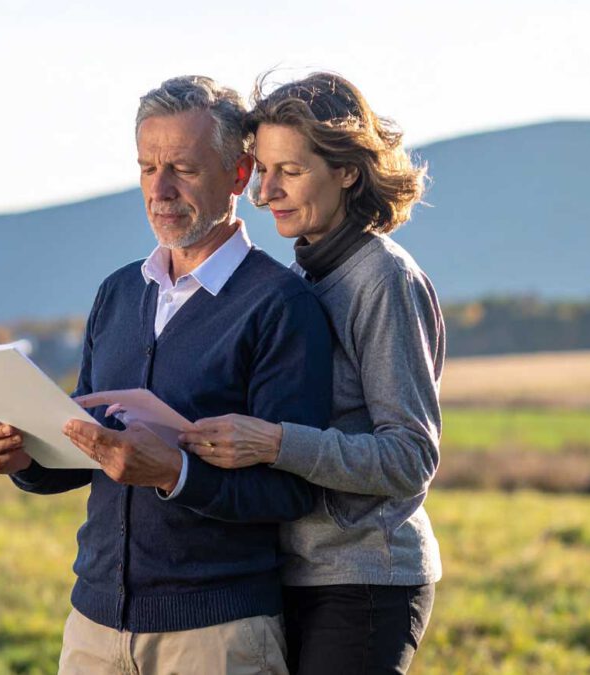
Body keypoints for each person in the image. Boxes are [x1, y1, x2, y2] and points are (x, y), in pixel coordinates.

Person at [0, 75, 333, 674]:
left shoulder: (280, 306)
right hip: (93, 628)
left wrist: (176, 473)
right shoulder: (117, 293)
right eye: (147, 168)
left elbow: (292, 492)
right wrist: (24, 457)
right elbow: (91, 451)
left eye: (183, 169)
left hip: (216, 636)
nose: (160, 190)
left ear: (239, 175)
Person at [178, 73, 444, 674]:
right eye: (262, 170)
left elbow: (410, 458)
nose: (266, 191)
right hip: (290, 572)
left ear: (347, 171)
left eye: (290, 171)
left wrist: (274, 443)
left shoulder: (383, 280)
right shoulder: (301, 277)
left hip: (365, 579)